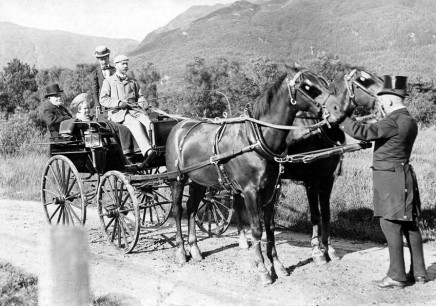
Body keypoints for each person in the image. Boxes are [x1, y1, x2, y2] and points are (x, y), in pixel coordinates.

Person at [339, 75, 426, 289]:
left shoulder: (393, 121)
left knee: (390, 223)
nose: (381, 105)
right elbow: (386, 140)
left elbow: (363, 132)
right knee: (409, 224)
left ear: (388, 101)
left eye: (381, 101)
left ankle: (396, 276)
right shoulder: (408, 120)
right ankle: (419, 273)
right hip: (403, 174)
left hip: (390, 178)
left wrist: (339, 117)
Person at [100, 54, 152, 157]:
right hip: (118, 113)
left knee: (149, 123)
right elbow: (103, 99)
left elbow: (140, 96)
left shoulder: (132, 81)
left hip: (135, 110)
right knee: (135, 124)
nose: (125, 66)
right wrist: (118, 103)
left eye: (126, 64)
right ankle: (148, 151)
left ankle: (155, 146)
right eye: (123, 64)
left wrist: (142, 102)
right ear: (116, 65)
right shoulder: (108, 81)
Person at [59, 93, 139, 157]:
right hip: (87, 143)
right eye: (85, 109)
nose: (87, 110)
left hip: (99, 141)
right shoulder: (78, 120)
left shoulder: (92, 118)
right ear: (79, 110)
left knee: (118, 131)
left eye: (88, 108)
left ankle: (129, 150)